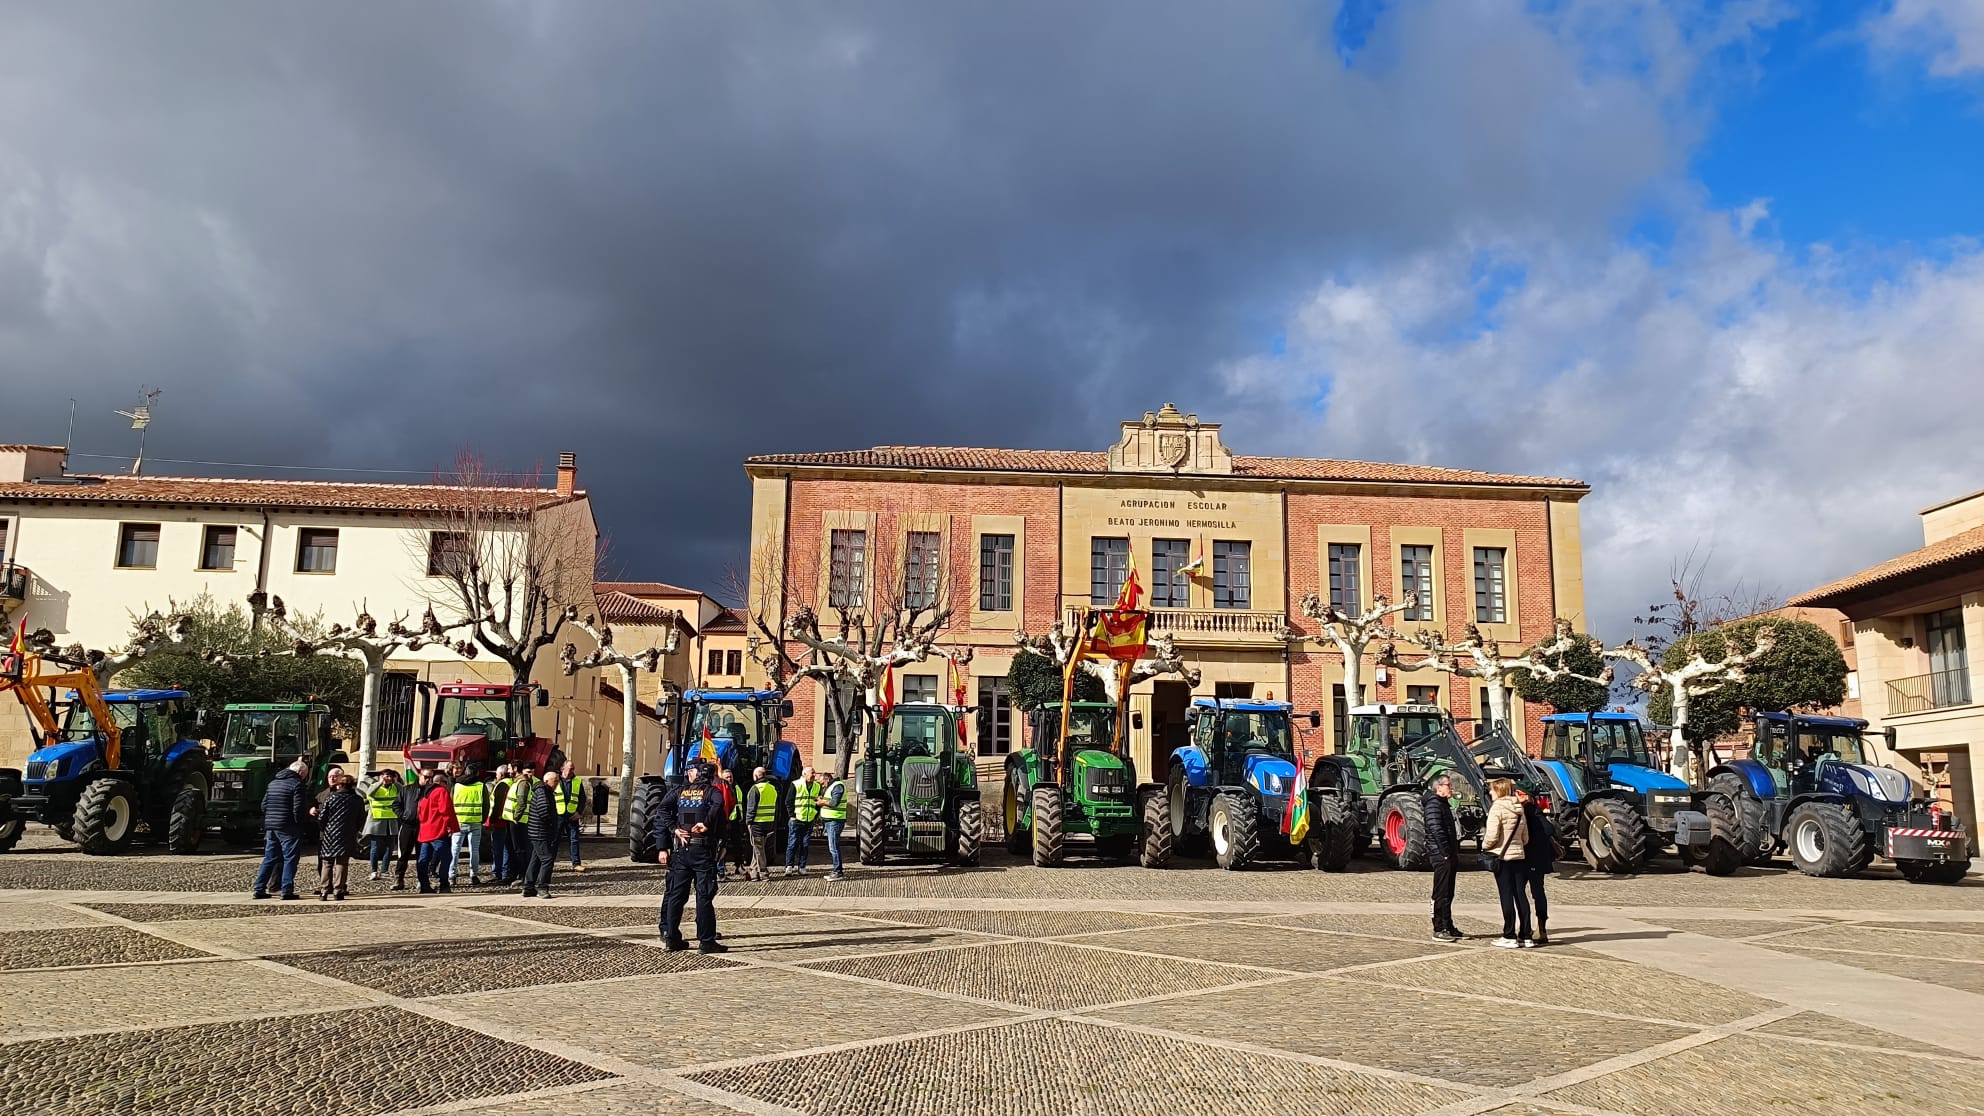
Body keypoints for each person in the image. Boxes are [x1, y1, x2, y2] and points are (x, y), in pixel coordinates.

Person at [654, 762, 729, 954]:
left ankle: (671, 938)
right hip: (702, 850)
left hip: (682, 850)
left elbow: (662, 809)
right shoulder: (712, 792)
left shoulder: (680, 791)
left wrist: (674, 829)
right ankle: (706, 941)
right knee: (704, 896)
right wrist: (705, 823)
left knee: (676, 896)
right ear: (711, 777)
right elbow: (719, 805)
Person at [1481, 777, 1533, 949]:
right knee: (1521, 895)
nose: (1490, 793)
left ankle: (1509, 934)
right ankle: (1526, 935)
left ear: (1499, 791)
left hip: (1502, 857)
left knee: (1506, 895)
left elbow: (1492, 836)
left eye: (1492, 790)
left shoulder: (1497, 809)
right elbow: (1525, 838)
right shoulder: (1519, 809)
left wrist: (1485, 846)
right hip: (1519, 856)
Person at [252, 756, 312, 900]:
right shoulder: (297, 784)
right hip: (288, 826)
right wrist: (300, 824)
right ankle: (286, 890)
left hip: (271, 826)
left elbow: (263, 805)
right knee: (290, 858)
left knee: (269, 858)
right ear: (301, 773)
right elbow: (298, 808)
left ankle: (259, 888)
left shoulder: (273, 783)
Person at [1422, 773, 1464, 942]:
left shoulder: (1443, 804)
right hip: (1441, 855)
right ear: (1438, 787)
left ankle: (1448, 924)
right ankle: (1439, 927)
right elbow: (1436, 829)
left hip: (1448, 854)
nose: (1451, 787)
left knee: (1449, 892)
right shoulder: (1433, 805)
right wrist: (1446, 852)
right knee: (1441, 892)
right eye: (1448, 784)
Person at [315, 768, 365, 901]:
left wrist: (324, 829)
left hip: (330, 833)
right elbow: (361, 818)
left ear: (339, 785)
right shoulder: (357, 799)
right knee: (342, 863)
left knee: (327, 862)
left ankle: (324, 890)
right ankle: (338, 890)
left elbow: (322, 817)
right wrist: (354, 829)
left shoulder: (331, 798)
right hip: (347, 833)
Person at [1517, 787, 1556, 946]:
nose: (1515, 796)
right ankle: (1536, 928)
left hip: (1531, 860)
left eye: (1519, 793)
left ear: (1527, 796)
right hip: (1531, 860)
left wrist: (1532, 840)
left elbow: (1549, 829)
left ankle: (1535, 928)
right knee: (1533, 892)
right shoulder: (1530, 810)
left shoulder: (1531, 811)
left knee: (1526, 892)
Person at [416, 766, 460, 894]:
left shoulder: (423, 792)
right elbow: (445, 810)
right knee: (446, 857)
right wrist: (450, 827)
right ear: (441, 782)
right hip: (437, 830)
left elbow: (419, 811)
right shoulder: (440, 791)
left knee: (423, 859)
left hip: (425, 830)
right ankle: (444, 884)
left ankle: (424, 884)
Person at [522, 769, 562, 899]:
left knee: (536, 859)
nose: (556, 784)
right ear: (546, 781)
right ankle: (542, 887)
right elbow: (544, 810)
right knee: (547, 858)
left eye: (557, 781)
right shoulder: (543, 792)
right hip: (540, 831)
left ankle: (528, 887)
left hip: (538, 831)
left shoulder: (544, 791)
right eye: (554, 781)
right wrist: (551, 824)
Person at [450, 763, 490, 887]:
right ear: (477, 773)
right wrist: (482, 819)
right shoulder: (481, 786)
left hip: (458, 822)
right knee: (474, 850)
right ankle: (474, 875)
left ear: (465, 772)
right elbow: (486, 805)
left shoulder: (456, 786)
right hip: (475, 822)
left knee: (455, 850)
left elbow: (450, 803)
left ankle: (451, 875)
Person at [359, 770, 402, 881]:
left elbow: (403, 792)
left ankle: (384, 870)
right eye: (386, 776)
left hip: (391, 821)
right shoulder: (375, 786)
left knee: (390, 848)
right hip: (376, 821)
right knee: (375, 848)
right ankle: (374, 871)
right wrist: (380, 782)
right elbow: (370, 793)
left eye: (390, 776)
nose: (388, 778)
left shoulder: (395, 787)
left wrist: (395, 781)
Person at [390, 768, 427, 891]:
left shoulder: (431, 791)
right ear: (420, 776)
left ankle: (422, 881)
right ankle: (399, 879)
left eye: (430, 777)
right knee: (403, 855)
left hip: (423, 826)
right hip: (407, 826)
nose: (428, 780)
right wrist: (403, 815)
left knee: (422, 856)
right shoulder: (406, 789)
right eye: (426, 777)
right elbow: (396, 804)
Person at [743, 766, 778, 882]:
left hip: (757, 823)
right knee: (758, 848)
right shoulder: (772, 788)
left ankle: (763, 873)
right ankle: (753, 873)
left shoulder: (755, 789)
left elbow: (751, 808)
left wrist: (748, 821)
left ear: (756, 776)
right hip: (769, 823)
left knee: (758, 849)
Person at [785, 766, 820, 876]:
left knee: (805, 845)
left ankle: (802, 867)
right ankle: (789, 866)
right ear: (804, 774)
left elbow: (818, 801)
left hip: (809, 819)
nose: (814, 775)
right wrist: (792, 815)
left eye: (814, 773)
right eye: (812, 773)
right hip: (797, 820)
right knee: (792, 844)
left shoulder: (816, 786)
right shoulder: (796, 784)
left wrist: (815, 814)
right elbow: (788, 801)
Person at [555, 760, 587, 872]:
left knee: (574, 840)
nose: (572, 771)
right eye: (570, 768)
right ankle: (549, 863)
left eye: (573, 768)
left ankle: (576, 863)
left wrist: (579, 812)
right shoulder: (555, 780)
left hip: (572, 816)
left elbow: (582, 798)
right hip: (558, 816)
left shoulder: (577, 781)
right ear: (562, 769)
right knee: (554, 840)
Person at [818, 770, 849, 882]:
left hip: (835, 820)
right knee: (833, 846)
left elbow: (834, 803)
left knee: (834, 847)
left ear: (827, 779)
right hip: (831, 820)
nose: (822, 785)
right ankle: (836, 870)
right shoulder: (832, 787)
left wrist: (821, 803)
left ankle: (838, 871)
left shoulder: (837, 786)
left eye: (822, 783)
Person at [487, 765, 514, 884]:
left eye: (497, 774)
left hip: (500, 821)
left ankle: (500, 873)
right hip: (509, 820)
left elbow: (497, 804)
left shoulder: (502, 785)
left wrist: (491, 820)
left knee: (499, 849)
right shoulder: (513, 783)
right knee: (507, 848)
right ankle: (505, 873)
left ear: (501, 775)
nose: (495, 776)